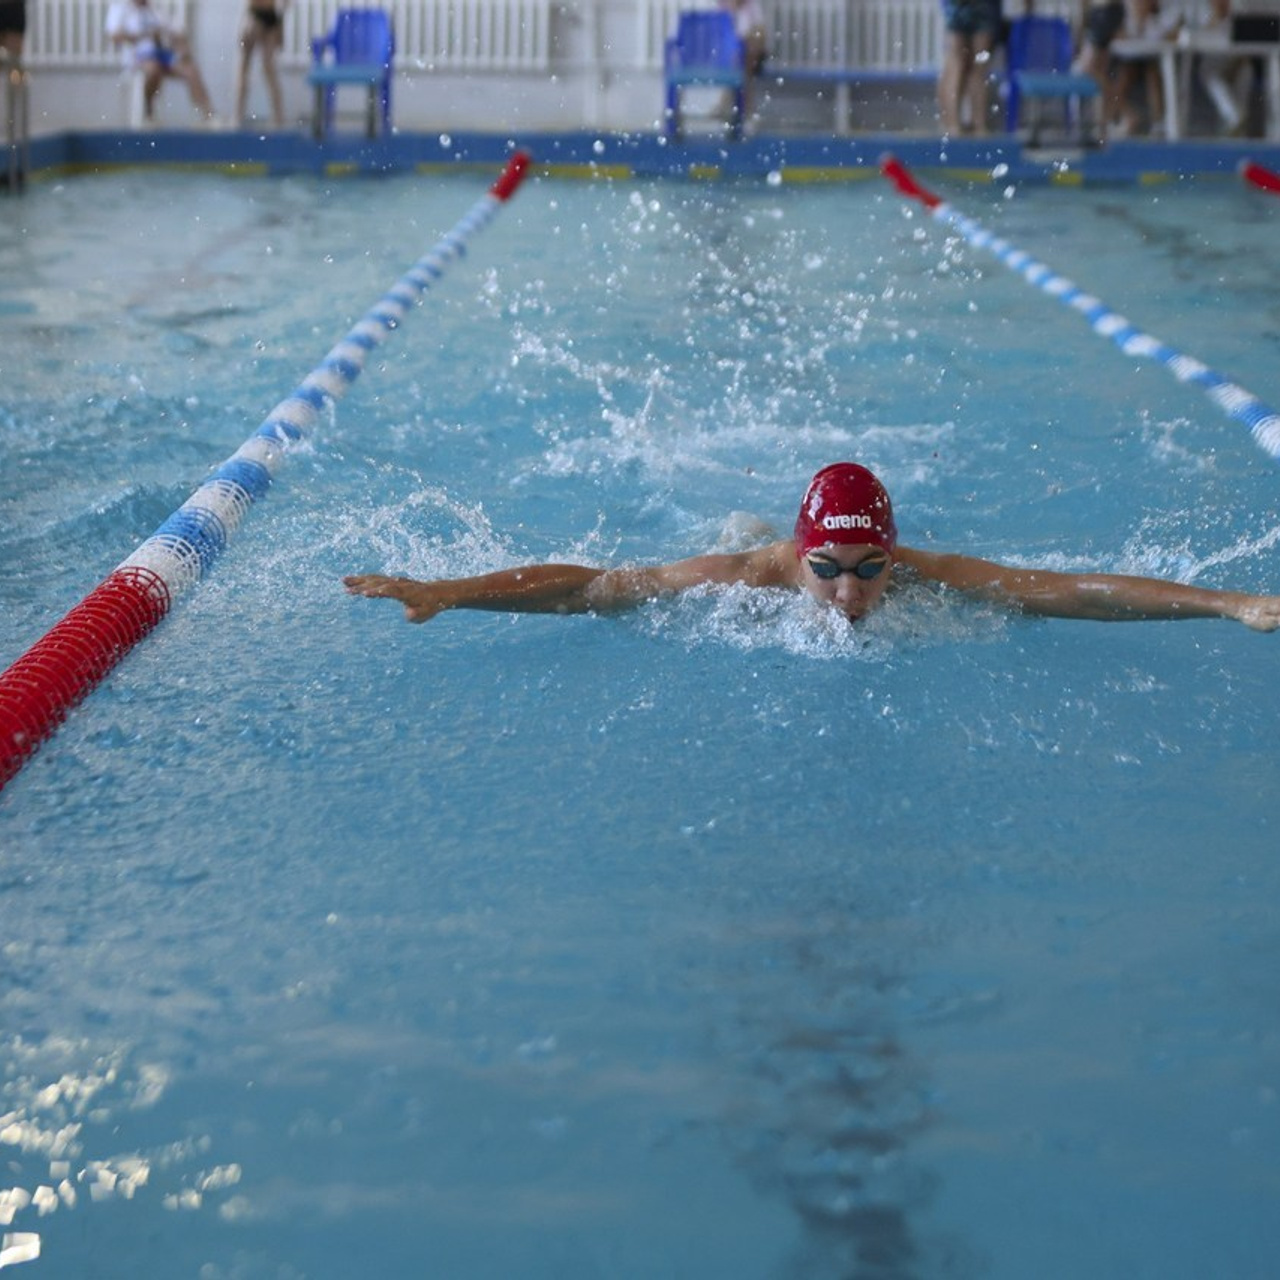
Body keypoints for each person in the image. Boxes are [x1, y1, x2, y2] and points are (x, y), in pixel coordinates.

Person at [343, 463, 1280, 633]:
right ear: (803, 560)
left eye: (871, 570)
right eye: (827, 571)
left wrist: (1229, 604)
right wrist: (449, 590)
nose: (849, 595)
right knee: (733, 539)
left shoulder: (918, 575)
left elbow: (1065, 590)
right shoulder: (751, 578)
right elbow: (590, 589)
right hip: (754, 548)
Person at [105, 0, 217, 126]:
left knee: (190, 70)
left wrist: (183, 48)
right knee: (153, 69)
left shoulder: (154, 10)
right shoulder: (120, 9)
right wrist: (143, 35)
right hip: (137, 57)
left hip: (161, 54)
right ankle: (148, 113)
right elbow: (114, 35)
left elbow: (175, 31)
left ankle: (208, 114)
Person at [937, 0, 1003, 136]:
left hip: (960, 7)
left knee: (958, 66)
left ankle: (954, 125)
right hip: (981, 7)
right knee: (976, 70)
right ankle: (978, 125)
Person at [233, 1, 288, 130]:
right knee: (262, 68)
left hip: (263, 17)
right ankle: (278, 117)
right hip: (263, 17)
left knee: (256, 67)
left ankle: (239, 116)